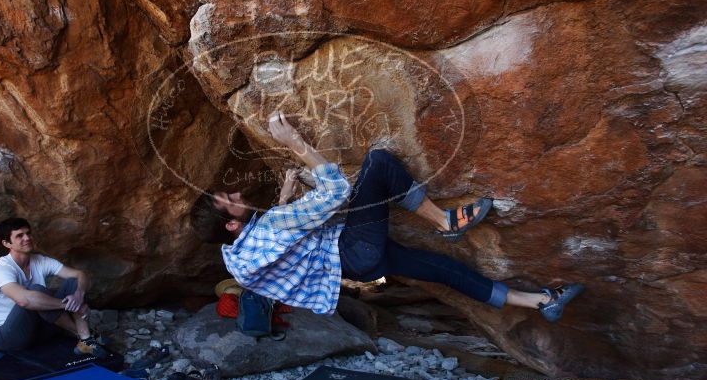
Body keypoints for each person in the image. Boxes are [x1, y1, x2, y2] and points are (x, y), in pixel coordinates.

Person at [191, 112, 583, 322]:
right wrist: (296, 143)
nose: (236, 193)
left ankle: (541, 302)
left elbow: (280, 239)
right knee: (377, 163)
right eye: (229, 199)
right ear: (231, 223)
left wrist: (286, 195)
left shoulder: (242, 256)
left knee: (443, 269)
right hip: (354, 248)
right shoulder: (269, 227)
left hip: (358, 266)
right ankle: (443, 222)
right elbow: (336, 191)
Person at [0, 218, 107, 356]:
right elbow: (24, 300)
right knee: (37, 292)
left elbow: (80, 275)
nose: (27, 238)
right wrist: (70, 305)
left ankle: (85, 339)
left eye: (28, 233)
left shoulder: (39, 260)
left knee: (73, 282)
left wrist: (78, 295)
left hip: (37, 331)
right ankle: (83, 334)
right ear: (7, 244)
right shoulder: (1, 269)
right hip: (7, 337)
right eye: (19, 236)